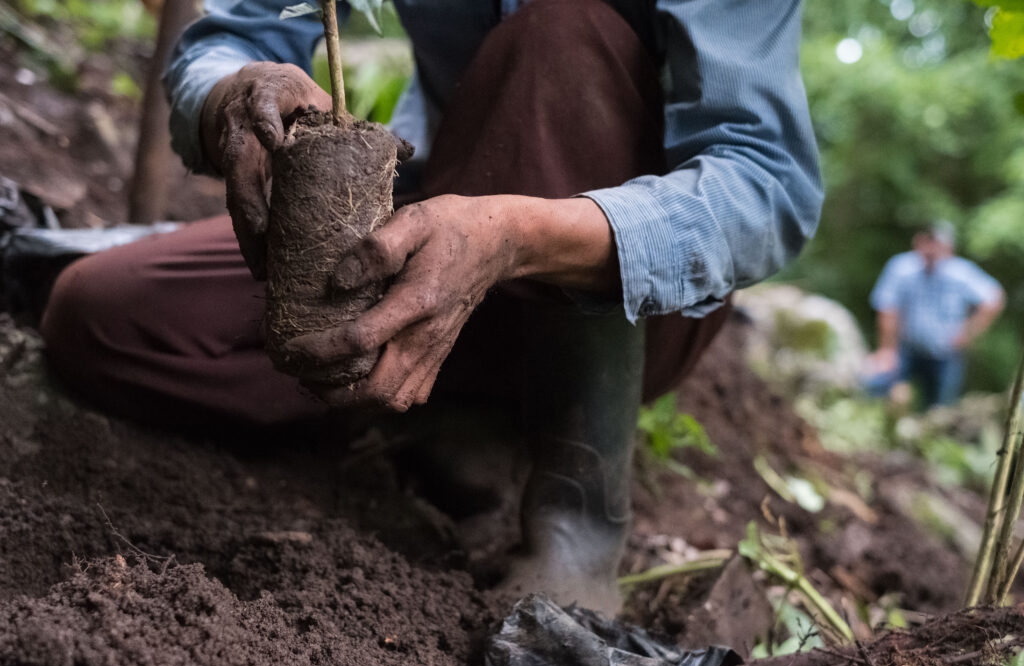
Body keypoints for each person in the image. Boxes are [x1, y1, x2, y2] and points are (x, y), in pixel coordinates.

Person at [39, 0, 823, 615]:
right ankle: (462, 413)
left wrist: (518, 235)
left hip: (628, 298)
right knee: (108, 315)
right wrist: (231, 96)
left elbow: (767, 184)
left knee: (560, 37)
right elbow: (228, 35)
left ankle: (576, 523)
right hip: (436, 233)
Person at [863, 222, 1004, 409]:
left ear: (948, 247)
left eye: (936, 243)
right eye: (927, 241)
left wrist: (969, 332)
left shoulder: (960, 273)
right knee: (875, 383)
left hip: (945, 355)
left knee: (940, 410)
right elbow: (887, 309)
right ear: (918, 242)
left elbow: (994, 298)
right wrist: (887, 350)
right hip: (907, 349)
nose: (931, 249)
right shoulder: (901, 268)